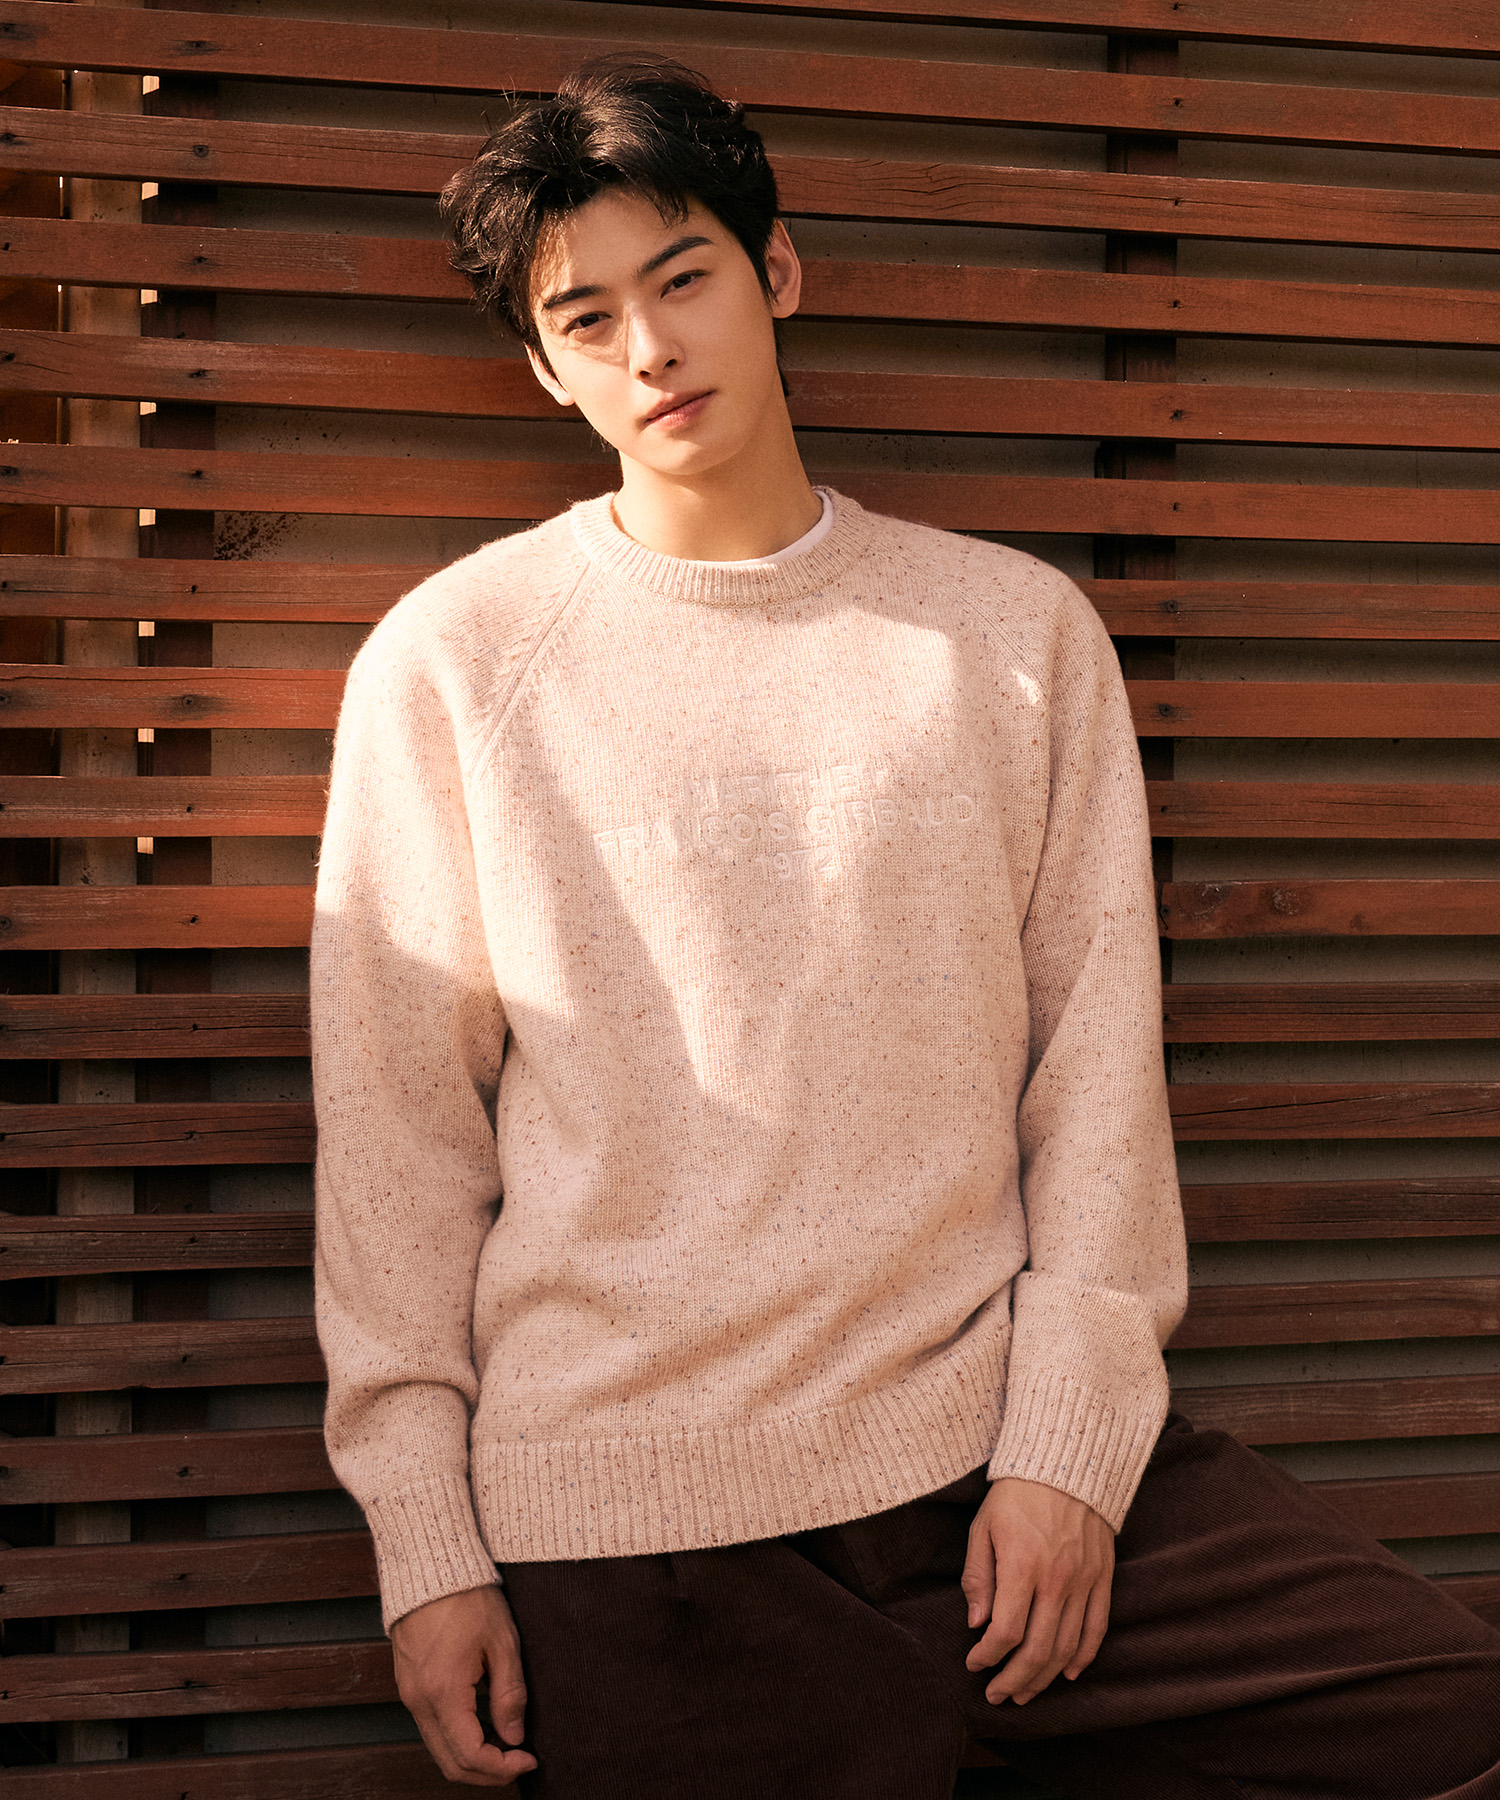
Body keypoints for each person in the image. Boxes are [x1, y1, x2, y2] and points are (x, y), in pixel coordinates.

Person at [310, 54, 1500, 1799]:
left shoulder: (1013, 639)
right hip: (647, 1547)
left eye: (684, 278)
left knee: (1454, 1718)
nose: (649, 348)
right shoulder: (455, 666)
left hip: (993, 1475)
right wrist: (427, 1547)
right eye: (587, 318)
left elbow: (1097, 1084)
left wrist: (1068, 1455)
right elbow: (397, 1149)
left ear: (779, 271)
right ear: (548, 371)